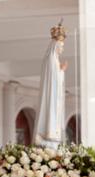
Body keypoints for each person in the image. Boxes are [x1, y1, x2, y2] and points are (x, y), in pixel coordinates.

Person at [33, 20, 68, 149]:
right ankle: (47, 135)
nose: (62, 49)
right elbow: (53, 79)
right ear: (55, 46)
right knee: (50, 113)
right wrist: (62, 71)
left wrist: (60, 71)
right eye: (61, 46)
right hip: (51, 95)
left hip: (54, 94)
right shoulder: (51, 59)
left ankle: (51, 136)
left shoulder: (53, 59)